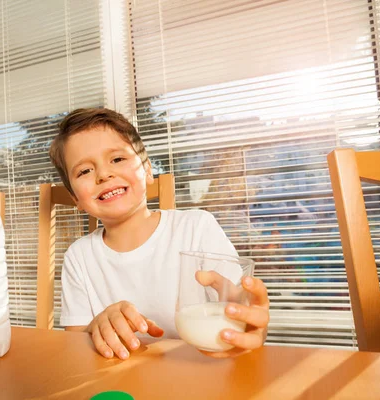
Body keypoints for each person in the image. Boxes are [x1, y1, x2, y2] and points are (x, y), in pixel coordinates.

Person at [49, 108, 269, 360]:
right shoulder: (79, 256)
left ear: (147, 170)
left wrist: (250, 323)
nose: (104, 174)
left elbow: (240, 309)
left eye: (117, 159)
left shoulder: (196, 228)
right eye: (84, 171)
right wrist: (96, 327)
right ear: (76, 198)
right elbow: (75, 343)